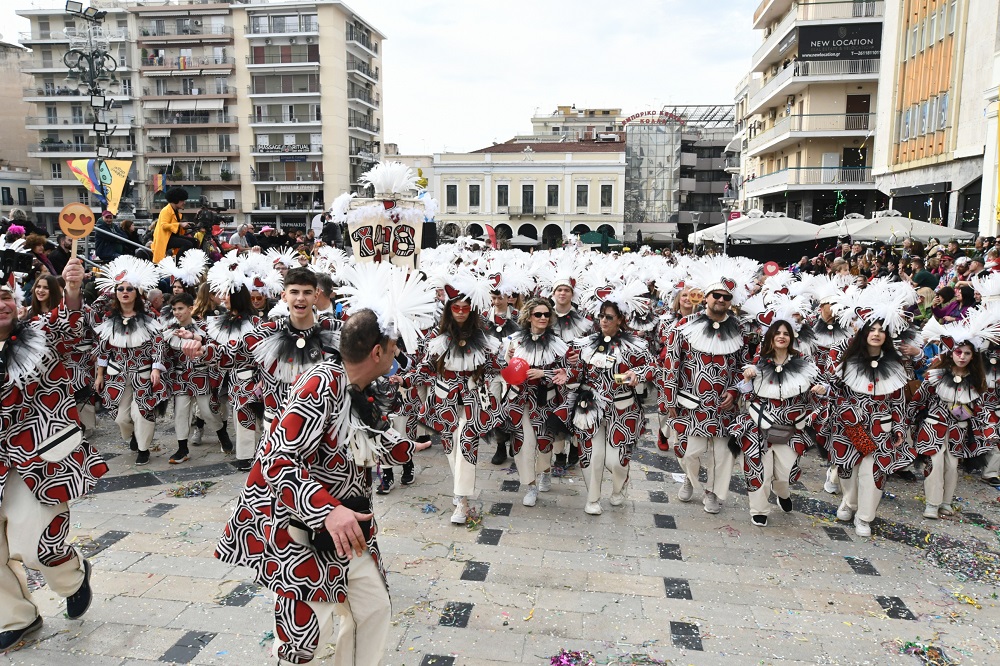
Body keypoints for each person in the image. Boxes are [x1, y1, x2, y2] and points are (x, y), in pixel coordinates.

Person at [214, 284, 434, 665]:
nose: (399, 353)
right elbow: (278, 461)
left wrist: (401, 447)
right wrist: (328, 511)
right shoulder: (320, 385)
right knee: (303, 642)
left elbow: (357, 435)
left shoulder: (355, 384)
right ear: (378, 352)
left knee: (373, 609)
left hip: (347, 529)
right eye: (395, 346)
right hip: (300, 532)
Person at [0, 257, 105, 650]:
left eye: (7, 296)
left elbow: (71, 326)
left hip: (38, 460)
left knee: (36, 546)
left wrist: (74, 289)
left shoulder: (41, 331)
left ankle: (74, 576)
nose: (3, 304)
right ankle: (17, 618)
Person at [663, 264, 753, 515]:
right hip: (692, 404)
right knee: (689, 453)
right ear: (706, 297)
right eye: (717, 295)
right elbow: (672, 364)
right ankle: (691, 481)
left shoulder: (739, 329)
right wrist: (669, 401)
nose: (721, 300)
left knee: (723, 455)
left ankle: (714, 493)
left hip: (725, 406)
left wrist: (735, 392)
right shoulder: (683, 325)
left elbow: (742, 366)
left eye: (726, 297)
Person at [564, 289, 656, 515]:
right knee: (592, 455)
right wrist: (570, 369)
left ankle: (619, 486)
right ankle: (592, 498)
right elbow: (574, 374)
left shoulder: (636, 345)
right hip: (589, 407)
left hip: (622, 408)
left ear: (621, 320)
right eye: (601, 316)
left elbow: (653, 367)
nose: (603, 321)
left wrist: (638, 374)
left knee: (615, 461)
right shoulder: (584, 344)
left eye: (609, 317)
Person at [736, 319, 822, 526]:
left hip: (791, 428)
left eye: (786, 333)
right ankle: (759, 510)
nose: (782, 336)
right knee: (758, 471)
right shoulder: (760, 361)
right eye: (777, 333)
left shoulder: (803, 361)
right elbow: (747, 396)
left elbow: (818, 388)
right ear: (771, 338)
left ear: (791, 338)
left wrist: (820, 390)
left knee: (785, 475)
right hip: (760, 427)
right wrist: (748, 380)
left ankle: (782, 493)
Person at [91, 256, 168, 465]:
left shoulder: (149, 316)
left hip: (143, 374)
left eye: (129, 289)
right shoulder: (109, 318)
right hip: (117, 375)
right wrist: (99, 375)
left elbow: (158, 343)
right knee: (121, 417)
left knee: (141, 411)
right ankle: (132, 436)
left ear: (137, 292)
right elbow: (103, 349)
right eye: (120, 289)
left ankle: (143, 448)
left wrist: (156, 368)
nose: (124, 292)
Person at [909, 333, 992, 519]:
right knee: (934, 464)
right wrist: (905, 423)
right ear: (951, 353)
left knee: (952, 467)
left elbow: (980, 410)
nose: (962, 356)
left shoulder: (977, 381)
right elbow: (918, 401)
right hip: (933, 427)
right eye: (958, 352)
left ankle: (946, 502)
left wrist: (987, 431)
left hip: (958, 431)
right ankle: (932, 503)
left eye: (967, 353)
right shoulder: (935, 376)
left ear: (973, 356)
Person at [502, 298, 569, 507]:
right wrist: (509, 356)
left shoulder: (557, 343)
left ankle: (545, 471)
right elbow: (506, 366)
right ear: (529, 316)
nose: (542, 318)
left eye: (546, 315)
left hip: (545, 401)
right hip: (520, 400)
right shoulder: (515, 339)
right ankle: (530, 486)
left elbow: (566, 372)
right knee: (523, 444)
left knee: (544, 443)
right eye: (538, 314)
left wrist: (544, 373)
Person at [152, 293, 231, 464]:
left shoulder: (205, 327)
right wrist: (156, 368)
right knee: (180, 413)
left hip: (201, 375)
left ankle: (221, 433)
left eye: (180, 308)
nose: (177, 312)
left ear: (191, 308)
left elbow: (215, 345)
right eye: (174, 309)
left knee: (207, 411)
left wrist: (197, 339)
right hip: (180, 378)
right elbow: (159, 347)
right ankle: (182, 448)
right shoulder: (169, 329)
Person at [152, 187, 197, 262]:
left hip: (172, 237)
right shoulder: (166, 211)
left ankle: (189, 261)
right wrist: (180, 224)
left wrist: (185, 225)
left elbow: (175, 225)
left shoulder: (175, 211)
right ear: (176, 200)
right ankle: (177, 262)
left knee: (195, 241)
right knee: (188, 244)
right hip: (166, 238)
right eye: (182, 200)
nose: (184, 203)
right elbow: (163, 225)